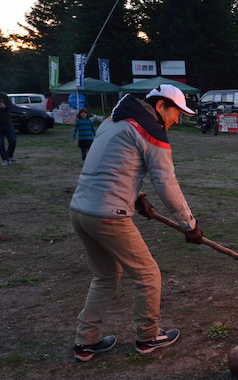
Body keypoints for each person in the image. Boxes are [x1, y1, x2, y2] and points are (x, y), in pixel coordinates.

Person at [69, 84, 204, 361]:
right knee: (148, 275)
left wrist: (139, 196)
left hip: (80, 210)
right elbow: (166, 183)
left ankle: (85, 342)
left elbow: (112, 163)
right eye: (176, 112)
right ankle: (148, 337)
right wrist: (189, 224)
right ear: (160, 106)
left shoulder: (114, 121)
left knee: (106, 276)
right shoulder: (151, 130)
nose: (177, 120)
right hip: (109, 214)